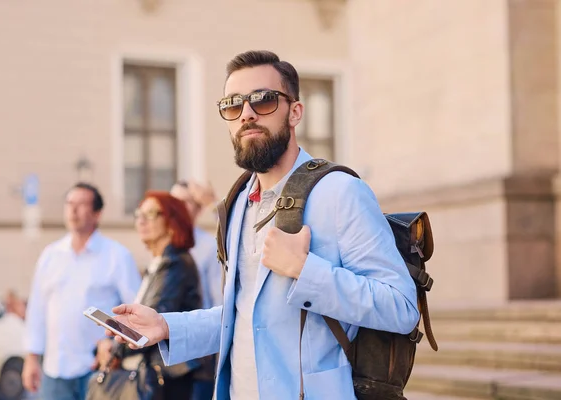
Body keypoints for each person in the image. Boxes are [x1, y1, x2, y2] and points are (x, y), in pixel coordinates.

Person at [105, 50, 420, 400]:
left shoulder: (341, 192)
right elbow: (243, 316)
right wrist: (167, 326)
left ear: (295, 111)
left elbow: (401, 308)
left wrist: (304, 270)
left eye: (264, 100)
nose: (247, 114)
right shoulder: (237, 201)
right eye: (233, 105)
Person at [22, 182, 142, 400]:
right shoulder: (51, 256)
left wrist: (115, 348)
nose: (73, 210)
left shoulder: (117, 256)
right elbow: (37, 310)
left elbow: (134, 313)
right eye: (69, 204)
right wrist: (31, 357)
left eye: (81, 204)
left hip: (99, 368)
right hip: (55, 369)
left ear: (97, 214)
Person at [95, 191, 202, 400]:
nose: (141, 220)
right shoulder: (159, 264)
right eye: (138, 213)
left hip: (170, 378)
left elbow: (152, 319)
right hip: (162, 374)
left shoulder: (175, 263)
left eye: (152, 213)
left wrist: (115, 348)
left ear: (172, 221)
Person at [170, 181, 221, 400]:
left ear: (198, 209)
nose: (177, 207)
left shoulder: (209, 246)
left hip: (199, 353)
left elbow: (218, 298)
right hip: (168, 350)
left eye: (185, 202)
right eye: (173, 201)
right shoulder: (163, 243)